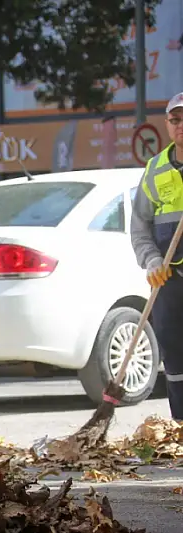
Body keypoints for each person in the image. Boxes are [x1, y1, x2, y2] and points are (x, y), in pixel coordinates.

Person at [131, 93, 183, 421]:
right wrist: (151, 261)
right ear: (167, 125)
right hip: (169, 278)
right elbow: (140, 229)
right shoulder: (155, 170)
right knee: (175, 356)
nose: (181, 126)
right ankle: (181, 425)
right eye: (175, 120)